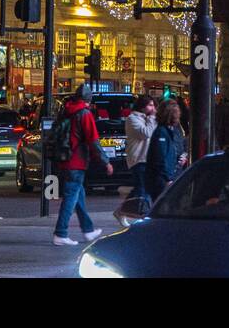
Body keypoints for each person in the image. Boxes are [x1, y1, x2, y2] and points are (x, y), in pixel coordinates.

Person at [50, 84, 112, 247]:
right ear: (88, 101)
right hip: (76, 161)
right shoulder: (84, 114)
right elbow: (93, 140)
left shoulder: (66, 111)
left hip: (64, 159)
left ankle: (88, 229)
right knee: (71, 198)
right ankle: (60, 233)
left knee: (79, 197)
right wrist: (105, 162)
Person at [145, 99, 187, 201]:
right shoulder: (162, 133)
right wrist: (167, 179)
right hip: (163, 180)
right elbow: (160, 158)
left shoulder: (169, 131)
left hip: (169, 177)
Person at [123, 95, 157, 214]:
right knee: (142, 188)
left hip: (148, 158)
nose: (153, 108)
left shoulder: (149, 119)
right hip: (139, 158)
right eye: (150, 105)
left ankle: (124, 209)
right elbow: (146, 133)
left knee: (141, 187)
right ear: (142, 107)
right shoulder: (133, 119)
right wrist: (152, 118)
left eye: (153, 105)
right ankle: (142, 212)